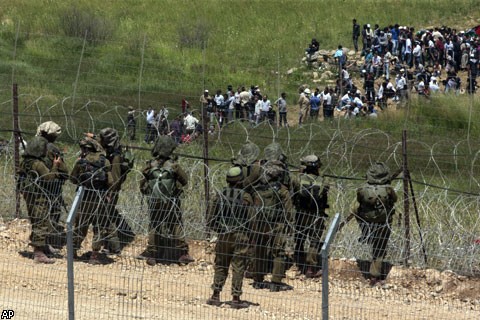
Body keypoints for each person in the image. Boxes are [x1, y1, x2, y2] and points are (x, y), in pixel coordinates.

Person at [139, 136, 194, 265]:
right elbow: (184, 181)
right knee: (175, 224)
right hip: (171, 201)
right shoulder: (174, 166)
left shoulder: (150, 165)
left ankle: (152, 253)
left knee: (154, 224)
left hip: (154, 200)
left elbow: (142, 183)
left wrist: (147, 192)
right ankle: (182, 253)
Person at [206, 167, 254, 309]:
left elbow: (210, 219)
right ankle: (235, 298)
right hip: (241, 235)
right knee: (238, 266)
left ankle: (215, 295)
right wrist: (250, 235)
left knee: (221, 264)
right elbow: (252, 220)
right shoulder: (246, 197)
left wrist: (220, 229)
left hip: (224, 234)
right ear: (240, 181)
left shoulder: (219, 195)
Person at [251, 142, 294, 292]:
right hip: (277, 219)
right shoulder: (283, 171)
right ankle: (275, 282)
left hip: (259, 216)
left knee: (259, 248)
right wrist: (290, 224)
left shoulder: (259, 166)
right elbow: (289, 207)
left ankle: (257, 279)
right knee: (278, 250)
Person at [17, 136, 64, 264]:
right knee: (41, 221)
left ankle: (42, 246)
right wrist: (55, 166)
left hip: (29, 193)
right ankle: (39, 253)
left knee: (36, 219)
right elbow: (49, 177)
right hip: (38, 195)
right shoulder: (37, 163)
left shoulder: (24, 161)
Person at [70, 136, 114, 264]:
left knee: (80, 225)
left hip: (84, 198)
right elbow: (110, 181)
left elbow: (72, 179)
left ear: (85, 149)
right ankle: (94, 256)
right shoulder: (104, 161)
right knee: (99, 227)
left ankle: (73, 251)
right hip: (100, 198)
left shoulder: (81, 162)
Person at [355, 162, 397, 285]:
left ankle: (364, 232)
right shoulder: (388, 189)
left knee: (355, 209)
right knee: (379, 247)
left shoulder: (362, 189)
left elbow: (359, 201)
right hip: (383, 222)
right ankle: (375, 276)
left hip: (367, 221)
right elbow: (395, 199)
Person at [98, 128, 135, 254]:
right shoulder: (111, 151)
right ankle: (109, 244)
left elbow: (115, 178)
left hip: (110, 191)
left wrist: (110, 193)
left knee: (107, 216)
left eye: (102, 138)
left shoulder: (115, 156)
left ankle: (113, 246)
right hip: (107, 190)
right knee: (106, 215)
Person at [292, 155, 329, 278]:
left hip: (301, 213)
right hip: (317, 215)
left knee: (299, 239)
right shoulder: (324, 181)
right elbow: (324, 197)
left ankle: (298, 263)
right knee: (314, 241)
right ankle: (310, 269)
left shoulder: (297, 179)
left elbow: (293, 195)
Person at [35, 121, 69, 252]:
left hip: (37, 185)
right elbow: (64, 170)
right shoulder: (52, 149)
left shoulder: (34, 146)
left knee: (40, 215)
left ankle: (41, 242)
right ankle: (46, 243)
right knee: (52, 213)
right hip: (52, 185)